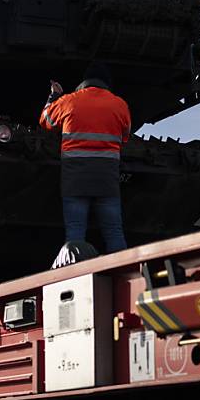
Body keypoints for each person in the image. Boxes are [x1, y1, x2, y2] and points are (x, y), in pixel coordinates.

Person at [39, 60, 131, 254]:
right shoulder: (120, 104)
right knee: (114, 232)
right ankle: (124, 275)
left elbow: (45, 121)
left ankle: (77, 275)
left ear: (85, 81)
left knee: (75, 234)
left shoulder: (69, 101)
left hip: (75, 178)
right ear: (106, 82)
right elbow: (125, 137)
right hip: (107, 179)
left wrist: (54, 96)